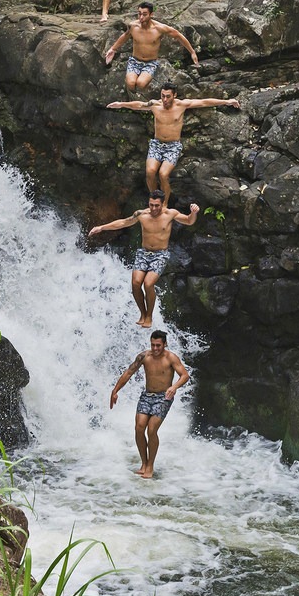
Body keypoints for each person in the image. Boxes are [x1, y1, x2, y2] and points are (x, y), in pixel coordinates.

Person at [106, 84, 240, 205]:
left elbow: (204, 102)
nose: (164, 99)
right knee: (150, 172)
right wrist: (120, 104)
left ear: (174, 95)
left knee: (163, 174)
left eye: (168, 96)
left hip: (173, 146)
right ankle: (155, 200)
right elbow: (138, 105)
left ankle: (164, 205)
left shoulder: (182, 105)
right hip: (156, 145)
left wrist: (227, 102)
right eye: (162, 96)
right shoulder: (155, 104)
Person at [88, 190, 199, 327]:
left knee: (148, 283)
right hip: (143, 253)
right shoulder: (141, 214)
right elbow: (124, 222)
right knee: (135, 283)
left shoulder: (170, 214)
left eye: (157, 205)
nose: (153, 208)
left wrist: (193, 213)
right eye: (151, 205)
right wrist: (102, 227)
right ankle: (142, 313)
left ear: (162, 204)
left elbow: (189, 221)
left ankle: (149, 317)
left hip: (160, 254)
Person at [109, 329, 190, 479]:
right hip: (147, 396)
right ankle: (144, 463)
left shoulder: (171, 358)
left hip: (164, 397)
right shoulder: (144, 356)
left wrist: (174, 387)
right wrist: (115, 390)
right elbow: (128, 372)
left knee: (151, 430)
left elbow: (185, 375)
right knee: (139, 427)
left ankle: (150, 465)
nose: (155, 349)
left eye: (158, 345)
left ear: (164, 344)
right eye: (153, 345)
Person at [103, 3, 199, 91]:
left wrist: (192, 52)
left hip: (150, 63)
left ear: (151, 14)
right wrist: (113, 49)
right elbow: (125, 36)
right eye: (139, 14)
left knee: (141, 84)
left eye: (144, 14)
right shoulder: (133, 26)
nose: (141, 17)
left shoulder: (159, 28)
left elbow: (178, 36)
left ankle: (149, 82)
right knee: (131, 84)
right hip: (134, 61)